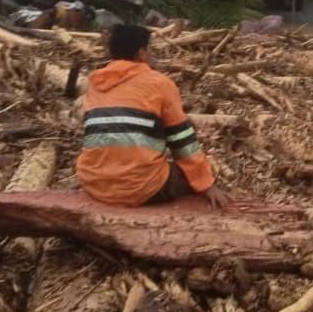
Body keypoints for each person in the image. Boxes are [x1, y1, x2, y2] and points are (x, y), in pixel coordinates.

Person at [76, 24, 231, 210]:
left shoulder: (95, 84)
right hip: (141, 189)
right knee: (197, 171)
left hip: (94, 184)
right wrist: (206, 184)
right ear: (141, 53)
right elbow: (181, 140)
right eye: (150, 49)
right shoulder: (160, 83)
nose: (151, 54)